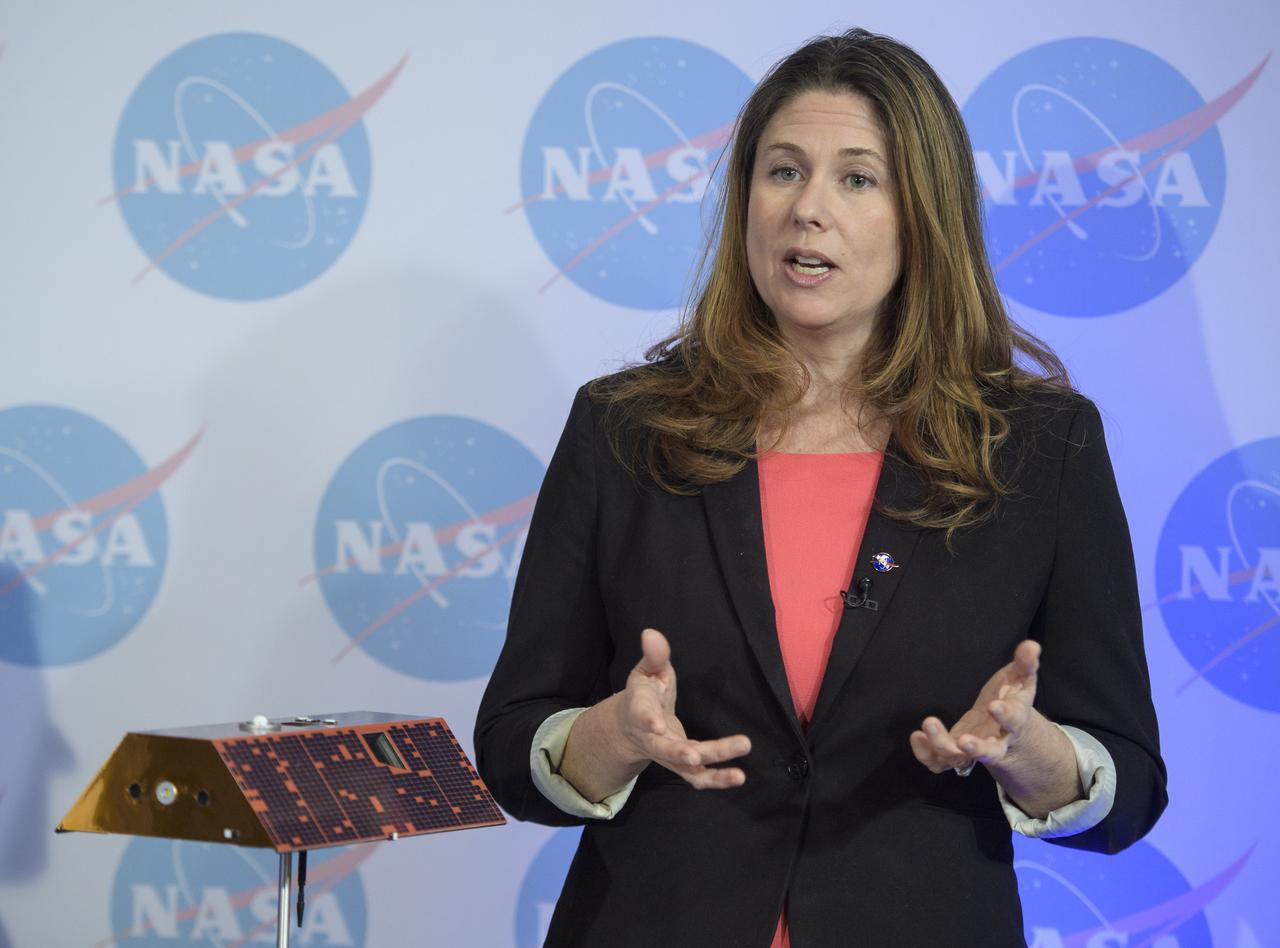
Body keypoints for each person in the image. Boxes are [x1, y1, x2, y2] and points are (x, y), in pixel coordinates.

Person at [475, 27, 1166, 948]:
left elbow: (1131, 784)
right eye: (783, 171)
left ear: (924, 212)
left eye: (857, 178)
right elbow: (511, 743)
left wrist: (1032, 755)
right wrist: (612, 735)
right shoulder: (625, 428)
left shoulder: (1040, 448)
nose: (808, 210)